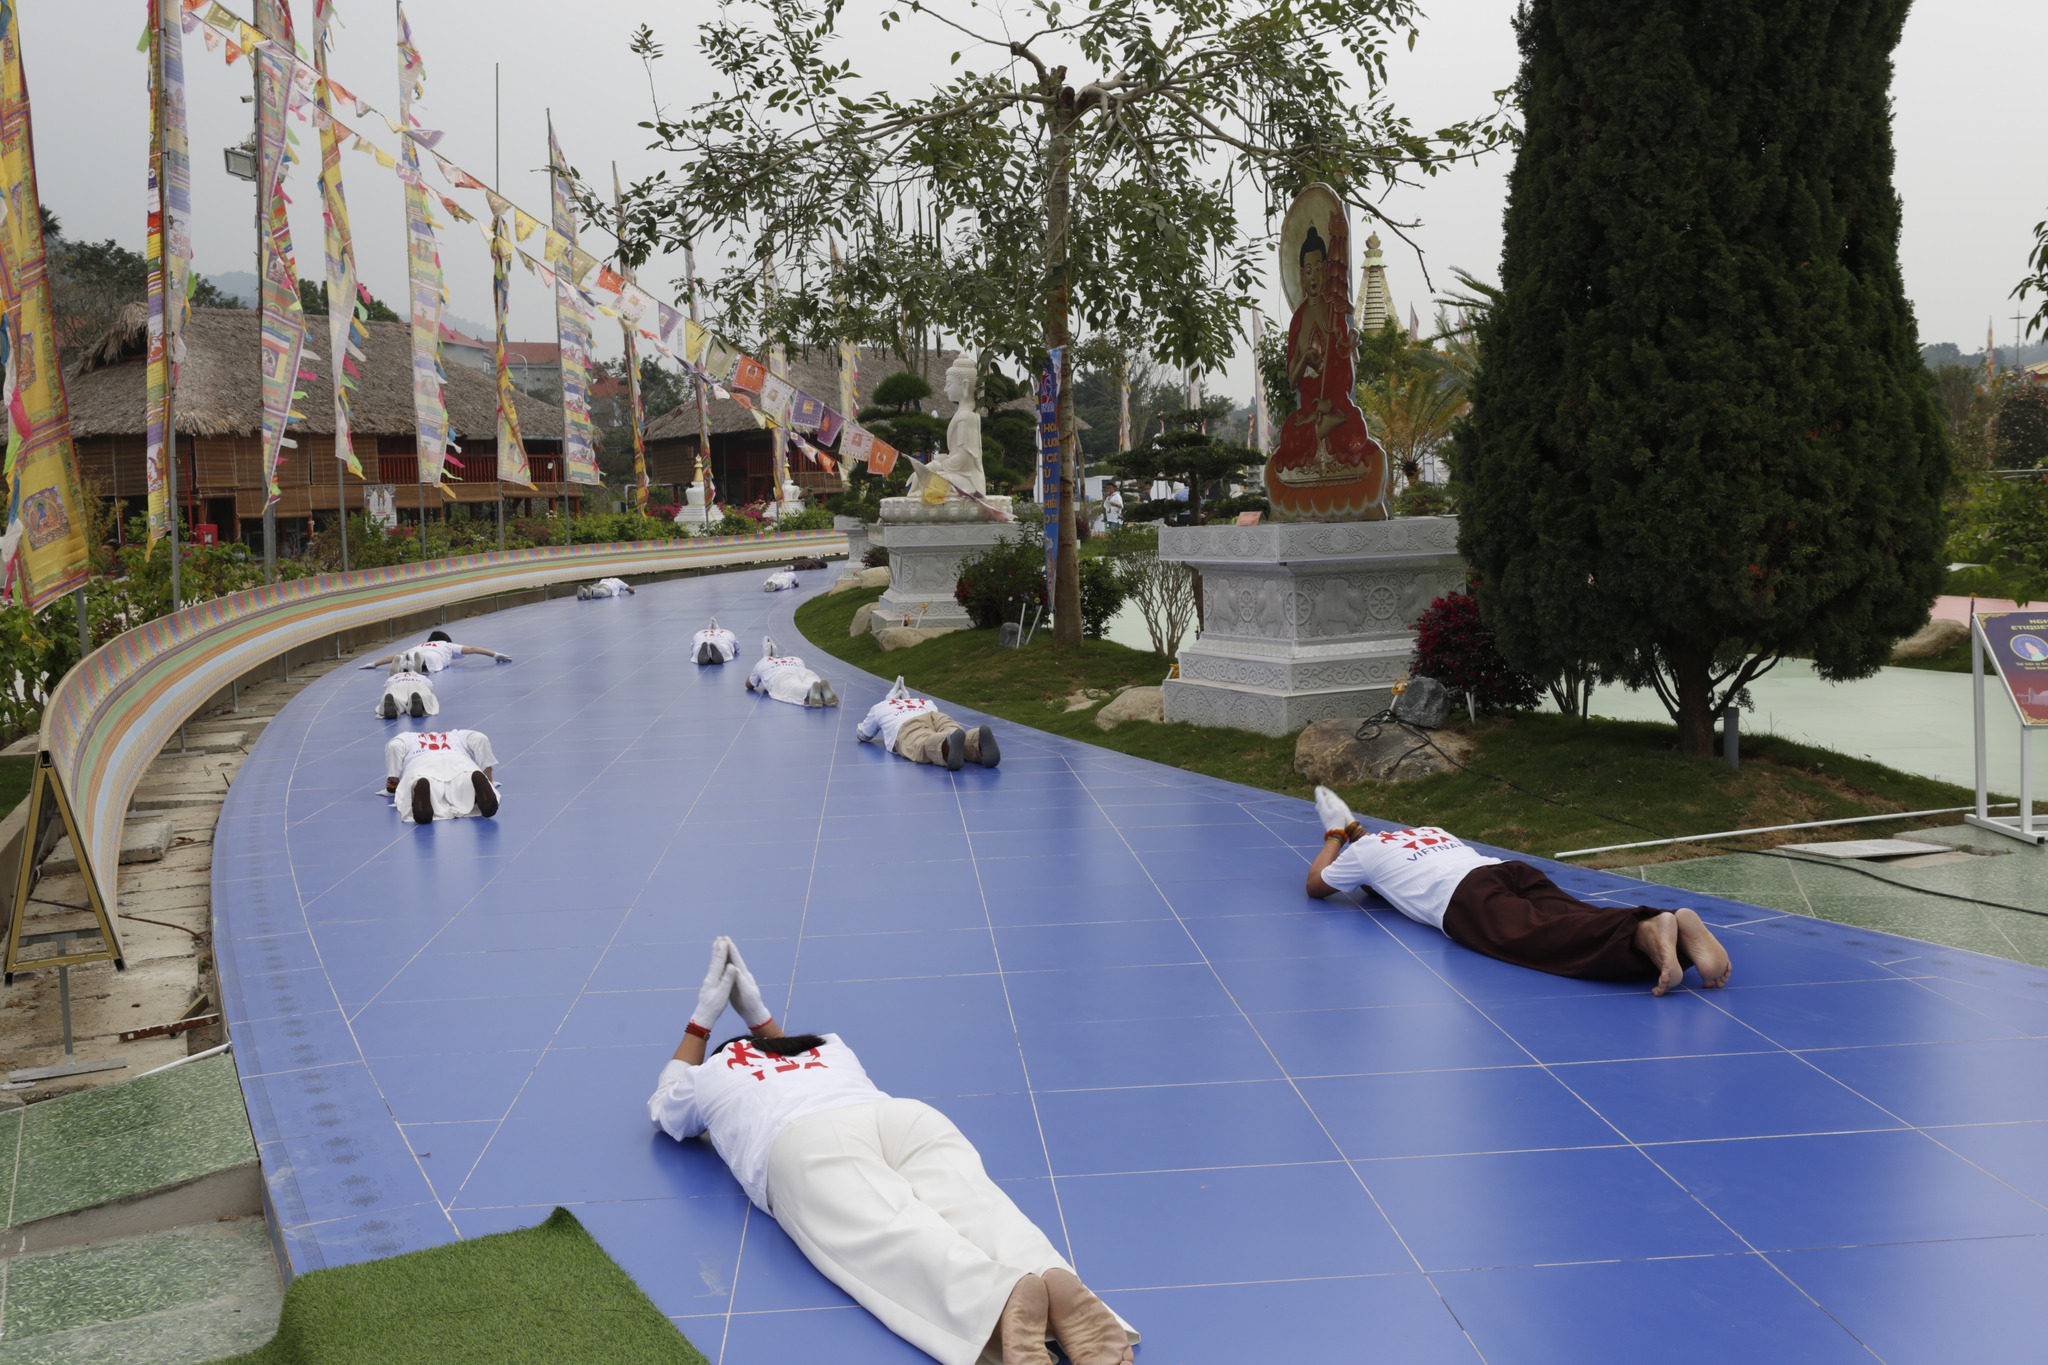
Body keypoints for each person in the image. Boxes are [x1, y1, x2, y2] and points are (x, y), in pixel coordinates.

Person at [649, 939, 1136, 1365]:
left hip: (807, 1141)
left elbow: (663, 1103)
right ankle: (1050, 1275)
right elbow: (781, 1046)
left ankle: (999, 1300)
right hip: (902, 1117)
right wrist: (759, 1013)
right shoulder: (828, 1046)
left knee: (897, 1232)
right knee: (980, 1206)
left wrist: (702, 1021)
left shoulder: (710, 1075)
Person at [1304, 787, 1731, 995]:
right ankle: (1674, 932)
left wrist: (1335, 833)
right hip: (1506, 871)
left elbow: (1316, 885)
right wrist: (1355, 830)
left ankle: (1646, 929)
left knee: (1546, 938)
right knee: (1575, 915)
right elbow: (1377, 877)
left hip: (1465, 896)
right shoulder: (1428, 830)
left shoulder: (1366, 853)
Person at [857, 675, 999, 771]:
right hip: (933, 715)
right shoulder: (924, 701)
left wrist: (886, 702)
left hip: (907, 724)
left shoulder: (880, 707)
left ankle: (946, 744)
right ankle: (976, 740)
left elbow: (863, 734)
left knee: (922, 742)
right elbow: (932, 717)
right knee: (951, 729)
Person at [383, 728, 501, 825]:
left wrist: (393, 781)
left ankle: (418, 794)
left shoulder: (409, 738)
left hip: (422, 763)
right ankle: (477, 792)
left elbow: (394, 746)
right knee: (466, 779)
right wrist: (489, 779)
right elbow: (481, 738)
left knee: (419, 780)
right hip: (460, 762)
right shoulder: (458, 736)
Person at [747, 636, 839, 708]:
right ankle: (822, 688)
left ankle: (809, 691)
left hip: (781, 677)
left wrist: (756, 675)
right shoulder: (795, 658)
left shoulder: (762, 663)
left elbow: (749, 684)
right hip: (803, 671)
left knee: (794, 688)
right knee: (810, 679)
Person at [362, 630, 512, 672]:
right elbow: (473, 649)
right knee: (429, 663)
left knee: (404, 658)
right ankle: (420, 664)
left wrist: (374, 663)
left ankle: (405, 666)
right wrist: (495, 654)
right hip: (434, 657)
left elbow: (393, 656)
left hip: (412, 653)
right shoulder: (446, 645)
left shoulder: (420, 645)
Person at [376, 652, 438, 720]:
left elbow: (387, 686)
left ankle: (393, 705)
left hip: (397, 683)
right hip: (417, 682)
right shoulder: (420, 676)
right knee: (424, 695)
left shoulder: (395, 676)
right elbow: (430, 686)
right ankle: (420, 703)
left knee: (393, 695)